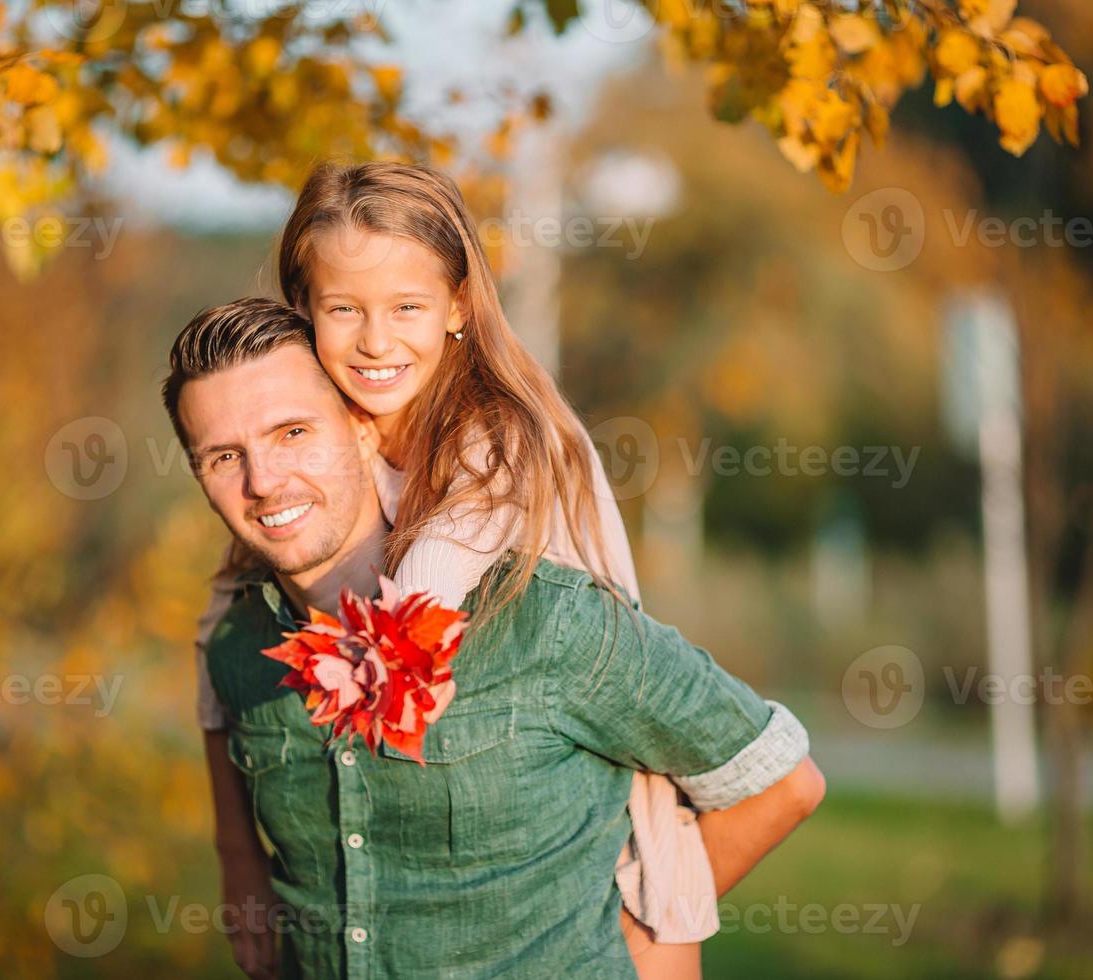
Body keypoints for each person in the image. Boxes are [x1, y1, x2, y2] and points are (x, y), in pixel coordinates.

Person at [190, 160, 750, 975]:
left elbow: (447, 555)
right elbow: (220, 634)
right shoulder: (333, 429)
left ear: (457, 304)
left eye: (407, 308)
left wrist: (403, 643)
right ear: (304, 309)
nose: (377, 342)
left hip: (610, 763)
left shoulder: (499, 429)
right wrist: (238, 859)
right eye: (344, 309)